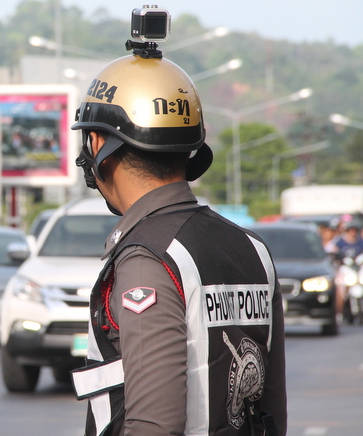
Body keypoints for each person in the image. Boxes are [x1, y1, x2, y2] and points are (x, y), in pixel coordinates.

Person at [69, 47, 287, 435]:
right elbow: (271, 415)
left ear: (98, 146)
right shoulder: (252, 249)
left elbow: (155, 425)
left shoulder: (146, 259)